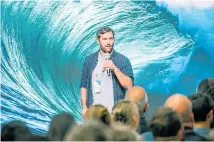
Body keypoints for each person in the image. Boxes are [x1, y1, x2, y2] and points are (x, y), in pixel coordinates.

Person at [80, 26, 134, 116]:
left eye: (111, 39)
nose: (108, 42)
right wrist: (84, 107)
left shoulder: (123, 60)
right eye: (104, 39)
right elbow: (84, 85)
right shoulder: (89, 60)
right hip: (94, 113)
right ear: (98, 41)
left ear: (114, 40)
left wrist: (114, 68)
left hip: (115, 114)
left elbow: (129, 85)